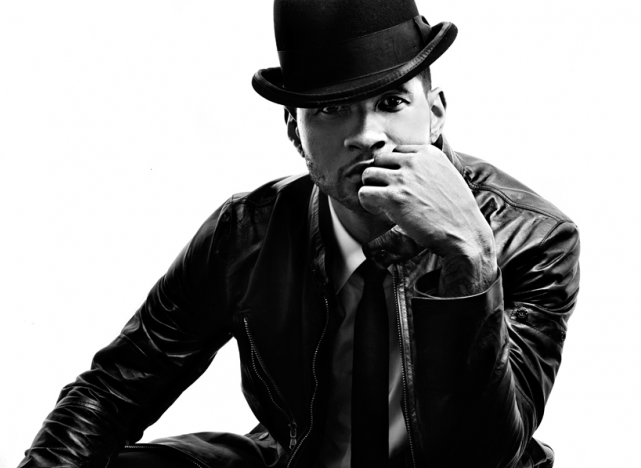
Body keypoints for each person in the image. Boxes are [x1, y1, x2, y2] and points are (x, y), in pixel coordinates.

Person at [19, 0, 580, 467]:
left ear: (435, 113)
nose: (367, 135)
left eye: (392, 103)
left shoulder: (532, 237)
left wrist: (471, 259)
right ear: (295, 130)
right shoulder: (246, 232)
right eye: (332, 109)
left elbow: (487, 455)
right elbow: (116, 389)